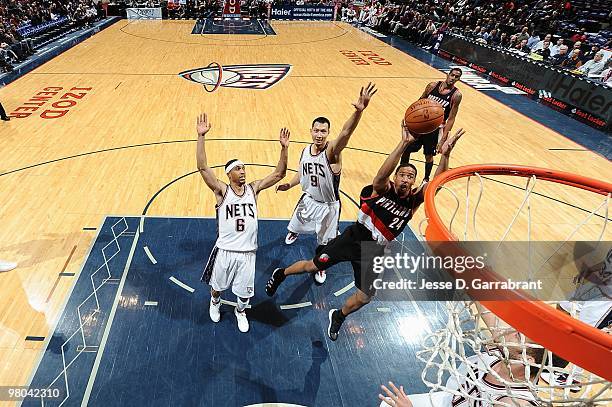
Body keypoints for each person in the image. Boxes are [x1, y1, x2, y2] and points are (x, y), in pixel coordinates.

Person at [266, 121, 465, 341]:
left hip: (374, 250)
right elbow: (381, 175)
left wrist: (445, 155)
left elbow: (436, 183)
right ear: (395, 178)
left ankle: (339, 316)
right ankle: (281, 274)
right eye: (402, 175)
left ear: (413, 182)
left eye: (410, 177)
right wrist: (403, 143)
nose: (406, 179)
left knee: (365, 297)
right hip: (354, 237)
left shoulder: (413, 200)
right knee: (313, 265)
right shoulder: (381, 189)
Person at [196, 113, 290, 333]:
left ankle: (240, 312)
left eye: (244, 168)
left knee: (244, 293)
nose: (243, 171)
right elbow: (202, 168)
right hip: (225, 250)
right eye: (239, 168)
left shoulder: (253, 189)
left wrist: (284, 148)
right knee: (217, 288)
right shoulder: (221, 190)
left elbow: (279, 174)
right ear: (229, 174)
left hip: (248, 252)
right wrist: (201, 137)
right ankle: (215, 303)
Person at [277, 83, 377, 285]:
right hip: (308, 200)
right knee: (295, 225)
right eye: (316, 130)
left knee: (325, 243)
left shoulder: (332, 153)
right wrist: (290, 184)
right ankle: (295, 230)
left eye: (323, 131)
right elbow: (302, 173)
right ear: (311, 131)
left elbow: (346, 133)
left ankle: (319, 267)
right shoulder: (305, 150)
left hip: (327, 207)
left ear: (328, 133)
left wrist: (358, 112)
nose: (319, 134)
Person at [378, 302, 543, 406]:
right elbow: (484, 302)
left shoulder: (515, 401)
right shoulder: (502, 352)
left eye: (519, 335)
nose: (511, 330)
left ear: (526, 360)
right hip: (449, 399)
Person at [400, 68, 462, 183]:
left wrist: (443, 138)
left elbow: (451, 118)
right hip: (420, 125)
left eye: (456, 77)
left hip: (435, 129)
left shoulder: (456, 95)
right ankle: (401, 172)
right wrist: (410, 119)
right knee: (406, 148)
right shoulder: (432, 86)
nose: (453, 78)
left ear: (459, 79)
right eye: (452, 75)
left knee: (428, 155)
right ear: (448, 74)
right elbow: (419, 101)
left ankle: (426, 179)